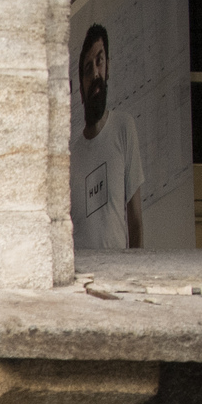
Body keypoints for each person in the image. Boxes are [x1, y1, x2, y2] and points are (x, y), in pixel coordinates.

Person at [71, 23, 143, 251]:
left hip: (118, 277)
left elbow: (136, 222)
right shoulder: (70, 157)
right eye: (87, 68)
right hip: (81, 279)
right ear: (81, 90)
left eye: (99, 62)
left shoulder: (124, 128)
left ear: (108, 67)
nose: (95, 73)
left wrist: (136, 278)